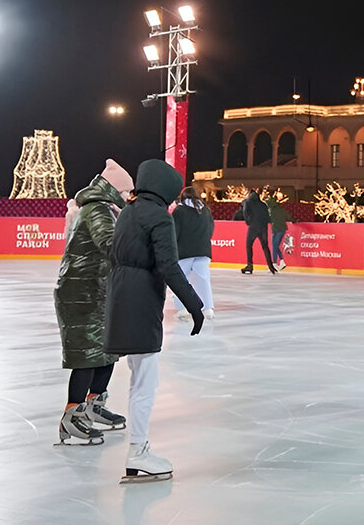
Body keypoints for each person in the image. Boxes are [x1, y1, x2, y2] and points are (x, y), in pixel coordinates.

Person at [104, 159, 204, 484]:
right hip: (142, 301)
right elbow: (169, 266)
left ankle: (139, 448)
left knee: (138, 376)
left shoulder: (128, 212)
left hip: (119, 296)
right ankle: (138, 452)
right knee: (145, 381)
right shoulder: (160, 218)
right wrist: (194, 304)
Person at [54, 160, 134, 445]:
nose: (128, 198)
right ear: (114, 189)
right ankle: (72, 416)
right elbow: (111, 244)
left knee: (108, 350)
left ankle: (94, 404)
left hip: (98, 289)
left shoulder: (107, 208)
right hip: (81, 292)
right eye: (126, 192)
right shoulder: (97, 209)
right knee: (87, 354)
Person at [172, 188, 216, 321]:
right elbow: (210, 229)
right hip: (203, 251)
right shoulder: (205, 210)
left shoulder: (179, 211)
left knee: (180, 281)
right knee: (203, 280)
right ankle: (208, 308)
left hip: (184, 252)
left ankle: (183, 308)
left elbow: (174, 231)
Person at [234, 189, 276, 274]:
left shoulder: (248, 202)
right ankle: (270, 266)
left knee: (249, 245)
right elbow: (268, 216)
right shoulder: (263, 204)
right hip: (263, 227)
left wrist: (248, 222)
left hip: (253, 226)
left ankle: (250, 265)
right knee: (265, 246)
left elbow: (245, 212)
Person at [266, 191, 290, 271]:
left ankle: (274, 263)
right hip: (281, 229)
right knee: (275, 246)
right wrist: (293, 220)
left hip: (277, 229)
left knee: (274, 246)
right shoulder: (280, 209)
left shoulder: (271, 210)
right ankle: (281, 261)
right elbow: (288, 216)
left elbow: (269, 219)